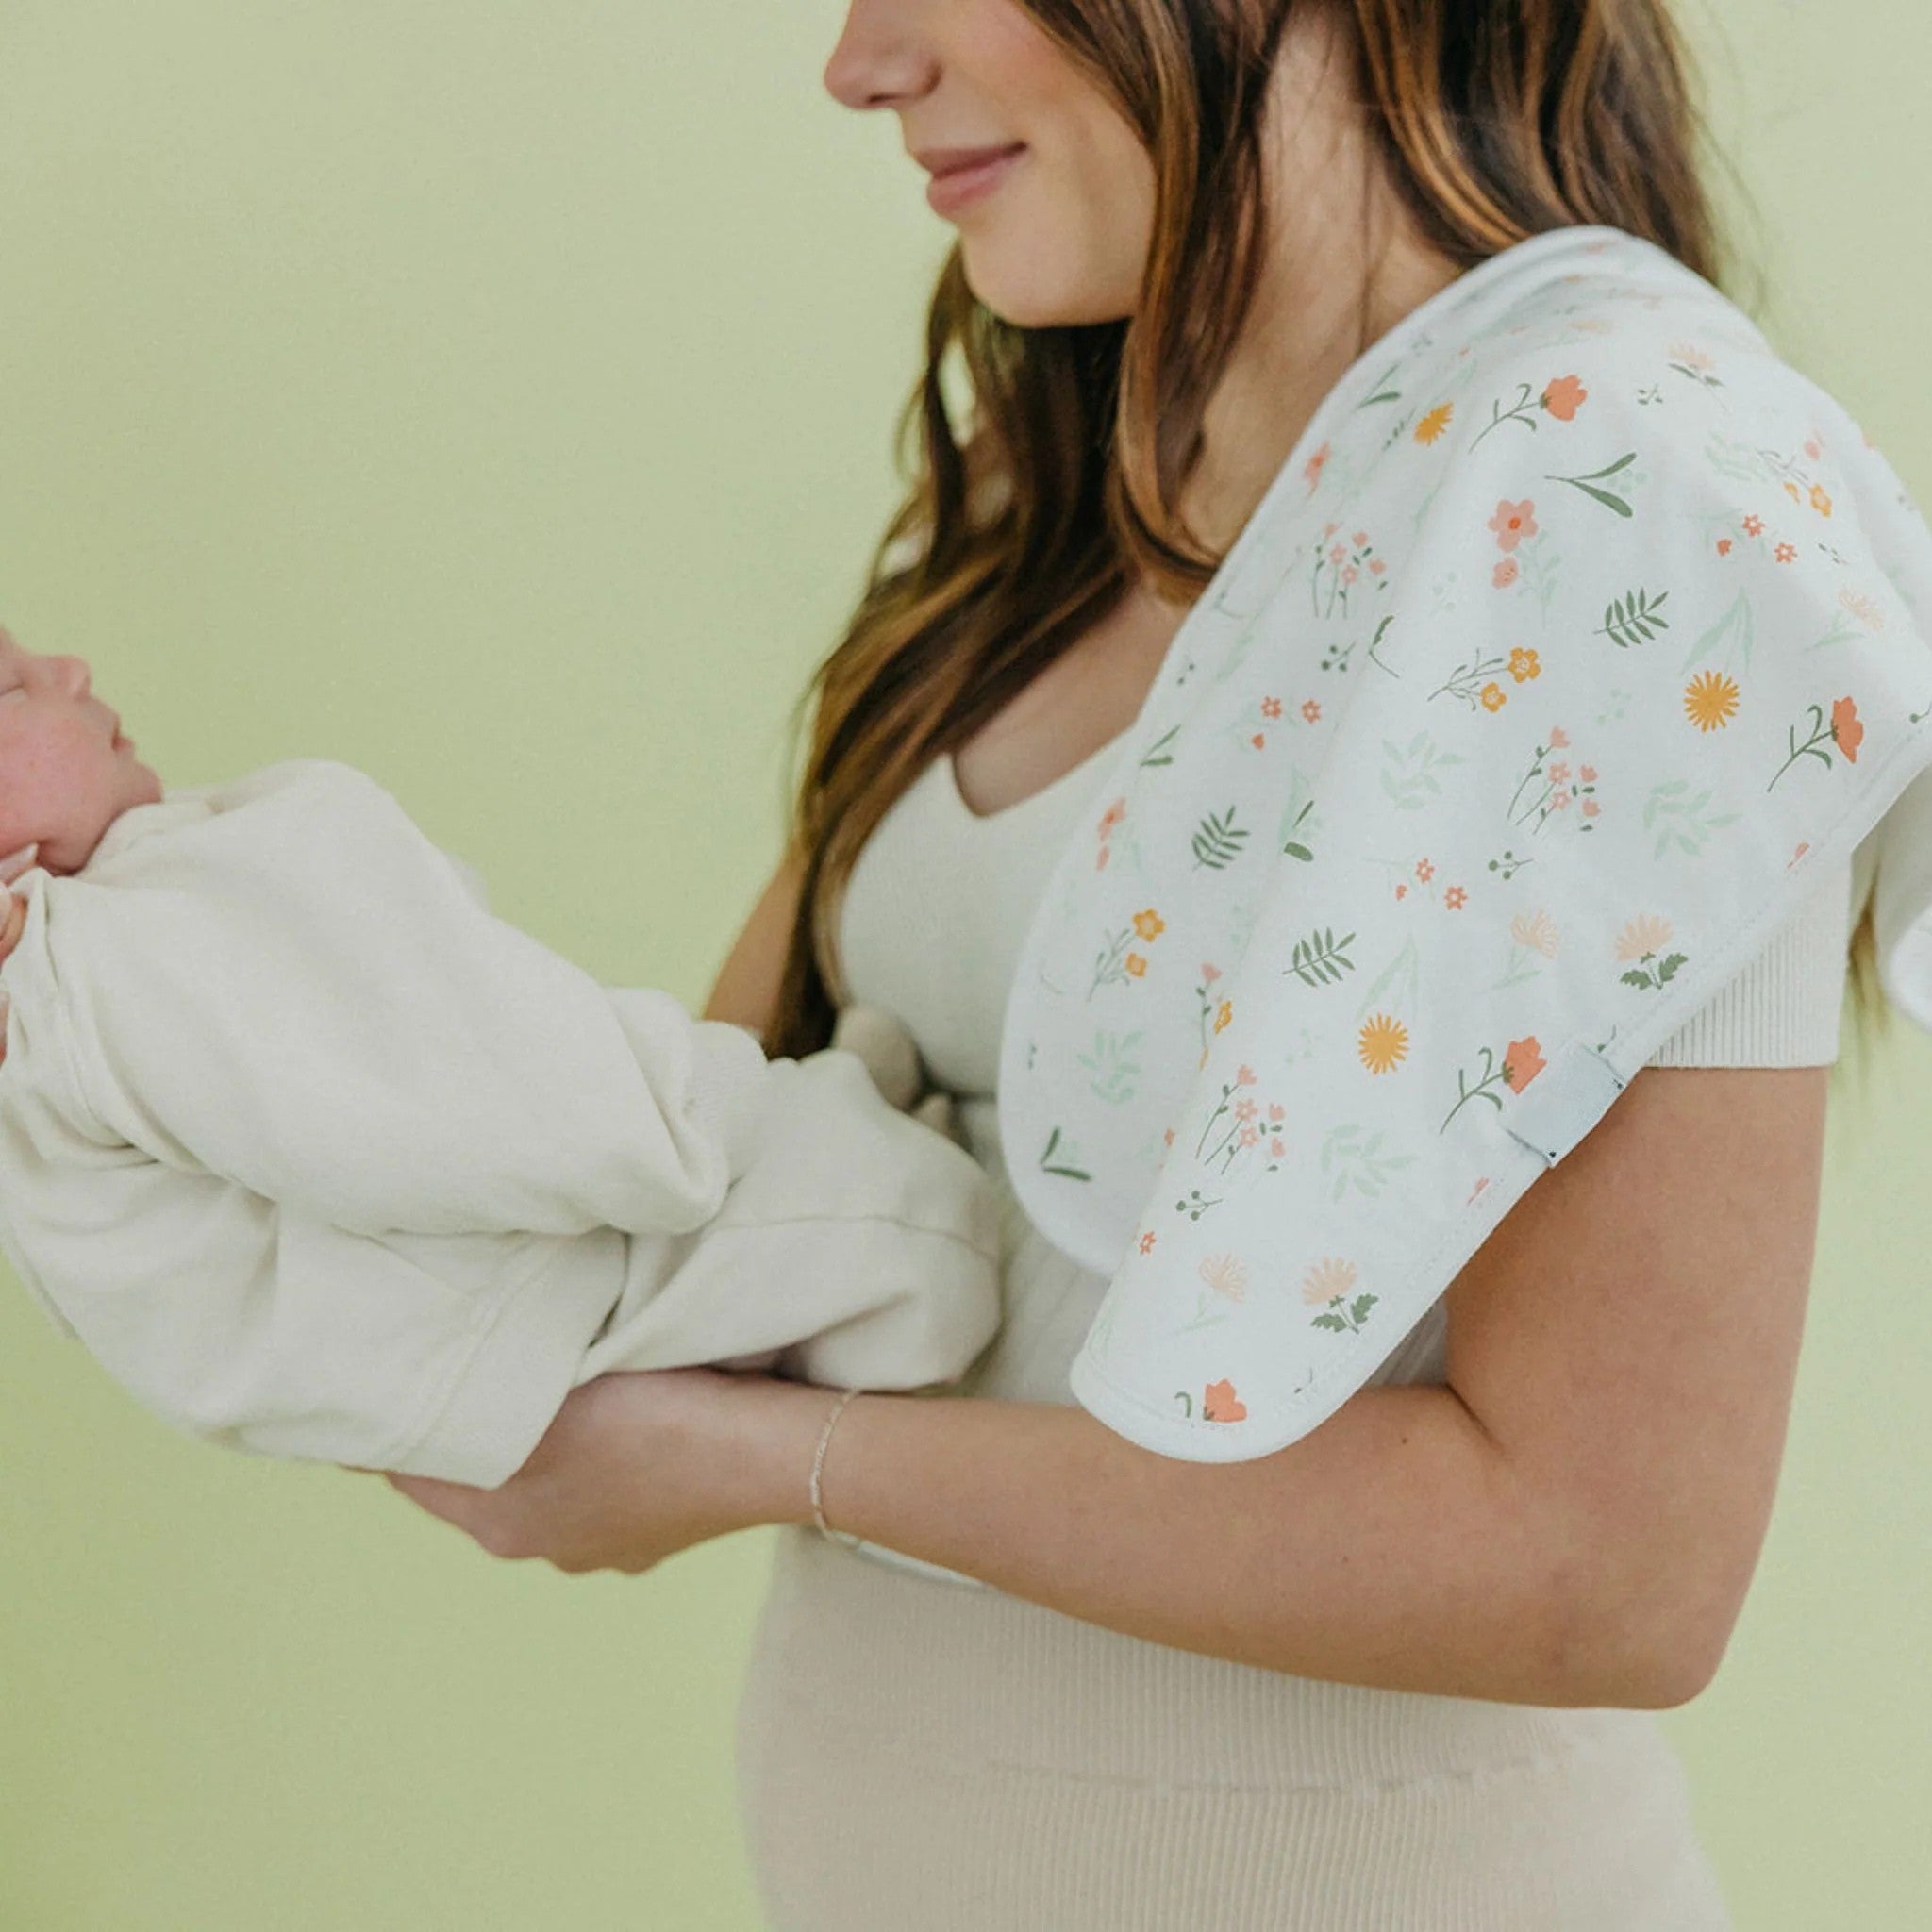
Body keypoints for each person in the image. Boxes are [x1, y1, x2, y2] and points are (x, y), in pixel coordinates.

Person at [372, 1, 1910, 1923]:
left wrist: (768, 1458)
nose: (855, 62)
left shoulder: (1635, 504)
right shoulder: (1038, 508)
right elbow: (697, 1182)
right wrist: (158, 931)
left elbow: (1603, 1566)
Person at [0, 626, 1001, 1488]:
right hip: (516, 1288)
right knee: (899, 1223)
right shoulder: (108, 956)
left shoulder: (64, 991)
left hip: (452, 1318)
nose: (72, 668)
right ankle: (883, 1189)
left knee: (774, 1189)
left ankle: (828, 1128)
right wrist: (663, 1120)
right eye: (13, 687)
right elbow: (407, 1102)